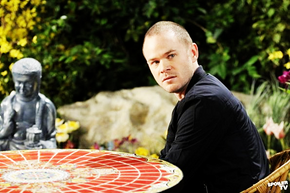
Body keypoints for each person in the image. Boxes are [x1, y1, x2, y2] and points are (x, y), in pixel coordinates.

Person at [142, 21, 269, 192]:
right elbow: (166, 162)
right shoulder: (196, 94)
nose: (164, 67)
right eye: (155, 62)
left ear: (193, 52)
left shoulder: (205, 101)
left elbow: (170, 178)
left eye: (171, 55)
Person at [0, 58, 57, 150]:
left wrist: (40, 144)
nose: (22, 88)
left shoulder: (46, 106)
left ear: (37, 82)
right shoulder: (7, 104)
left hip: (34, 154)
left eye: (28, 84)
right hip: (10, 150)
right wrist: (5, 131)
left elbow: (52, 141)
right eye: (18, 83)